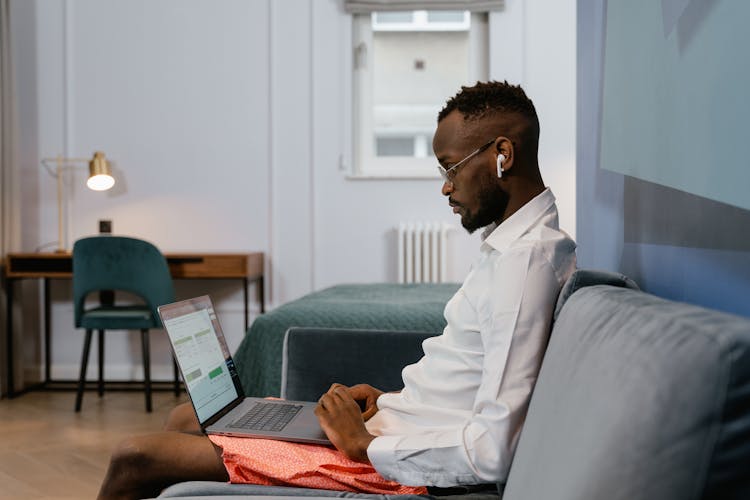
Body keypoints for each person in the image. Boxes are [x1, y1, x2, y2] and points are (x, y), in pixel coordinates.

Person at [97, 81, 576, 499]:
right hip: (395, 425)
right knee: (186, 417)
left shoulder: (525, 263)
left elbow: (492, 449)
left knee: (134, 456)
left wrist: (364, 444)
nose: (446, 188)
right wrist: (388, 400)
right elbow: (469, 382)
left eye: (450, 168)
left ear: (502, 155)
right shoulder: (512, 249)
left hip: (391, 466)